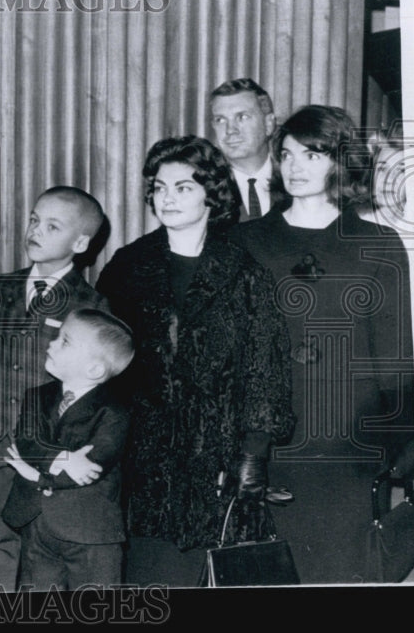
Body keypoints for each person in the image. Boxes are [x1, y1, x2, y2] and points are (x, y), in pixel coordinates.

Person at [95, 135, 294, 586]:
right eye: (159, 187)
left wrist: (253, 459)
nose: (167, 198)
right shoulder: (127, 267)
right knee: (149, 582)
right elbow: (102, 362)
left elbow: (264, 370)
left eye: (183, 187)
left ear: (211, 193)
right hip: (141, 460)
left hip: (219, 461)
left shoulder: (244, 271)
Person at [231, 105, 414, 584]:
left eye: (312, 155)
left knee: (341, 574)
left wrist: (403, 441)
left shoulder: (377, 243)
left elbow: (391, 350)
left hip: (346, 437)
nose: (295, 167)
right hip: (265, 435)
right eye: (287, 155)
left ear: (340, 161)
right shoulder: (245, 240)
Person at [0, 185, 110, 591]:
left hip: (48, 443)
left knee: (42, 537)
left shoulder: (90, 305)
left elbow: (91, 390)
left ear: (80, 243)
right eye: (33, 220)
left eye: (52, 225)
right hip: (1, 437)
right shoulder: (5, 288)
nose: (36, 231)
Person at [2, 308, 134, 591]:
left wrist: (38, 475)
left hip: (89, 531)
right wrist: (60, 457)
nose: (51, 343)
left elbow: (91, 468)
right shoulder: (36, 396)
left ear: (94, 369)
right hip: (36, 524)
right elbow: (27, 442)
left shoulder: (115, 411)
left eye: (65, 341)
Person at [208, 78, 281, 221]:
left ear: (268, 124)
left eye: (242, 117)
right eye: (220, 120)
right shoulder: (205, 188)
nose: (230, 130)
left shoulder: (294, 182)